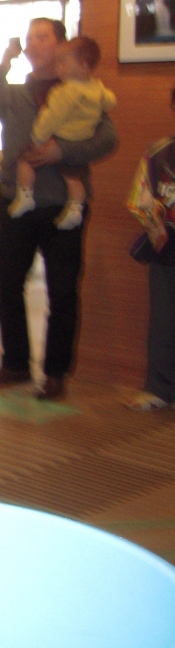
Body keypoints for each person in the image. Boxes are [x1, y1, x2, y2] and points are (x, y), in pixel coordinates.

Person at [0, 18, 118, 401]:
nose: (34, 44)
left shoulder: (82, 89)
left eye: (43, 37)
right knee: (8, 287)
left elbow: (108, 139)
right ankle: (15, 363)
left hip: (63, 207)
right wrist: (4, 63)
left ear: (61, 44)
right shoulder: (13, 92)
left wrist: (61, 151)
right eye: (30, 38)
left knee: (63, 294)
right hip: (17, 203)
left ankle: (55, 373)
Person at [11, 36, 116, 231]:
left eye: (62, 63)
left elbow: (52, 117)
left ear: (83, 64)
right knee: (73, 177)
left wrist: (38, 137)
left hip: (62, 138)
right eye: (29, 39)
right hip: (81, 137)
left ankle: (25, 194)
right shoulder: (96, 87)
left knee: (25, 160)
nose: (58, 67)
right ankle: (75, 209)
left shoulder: (65, 91)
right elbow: (110, 101)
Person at [125, 85, 175, 412]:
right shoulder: (159, 153)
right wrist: (153, 218)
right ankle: (160, 388)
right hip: (167, 249)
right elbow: (138, 197)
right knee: (164, 321)